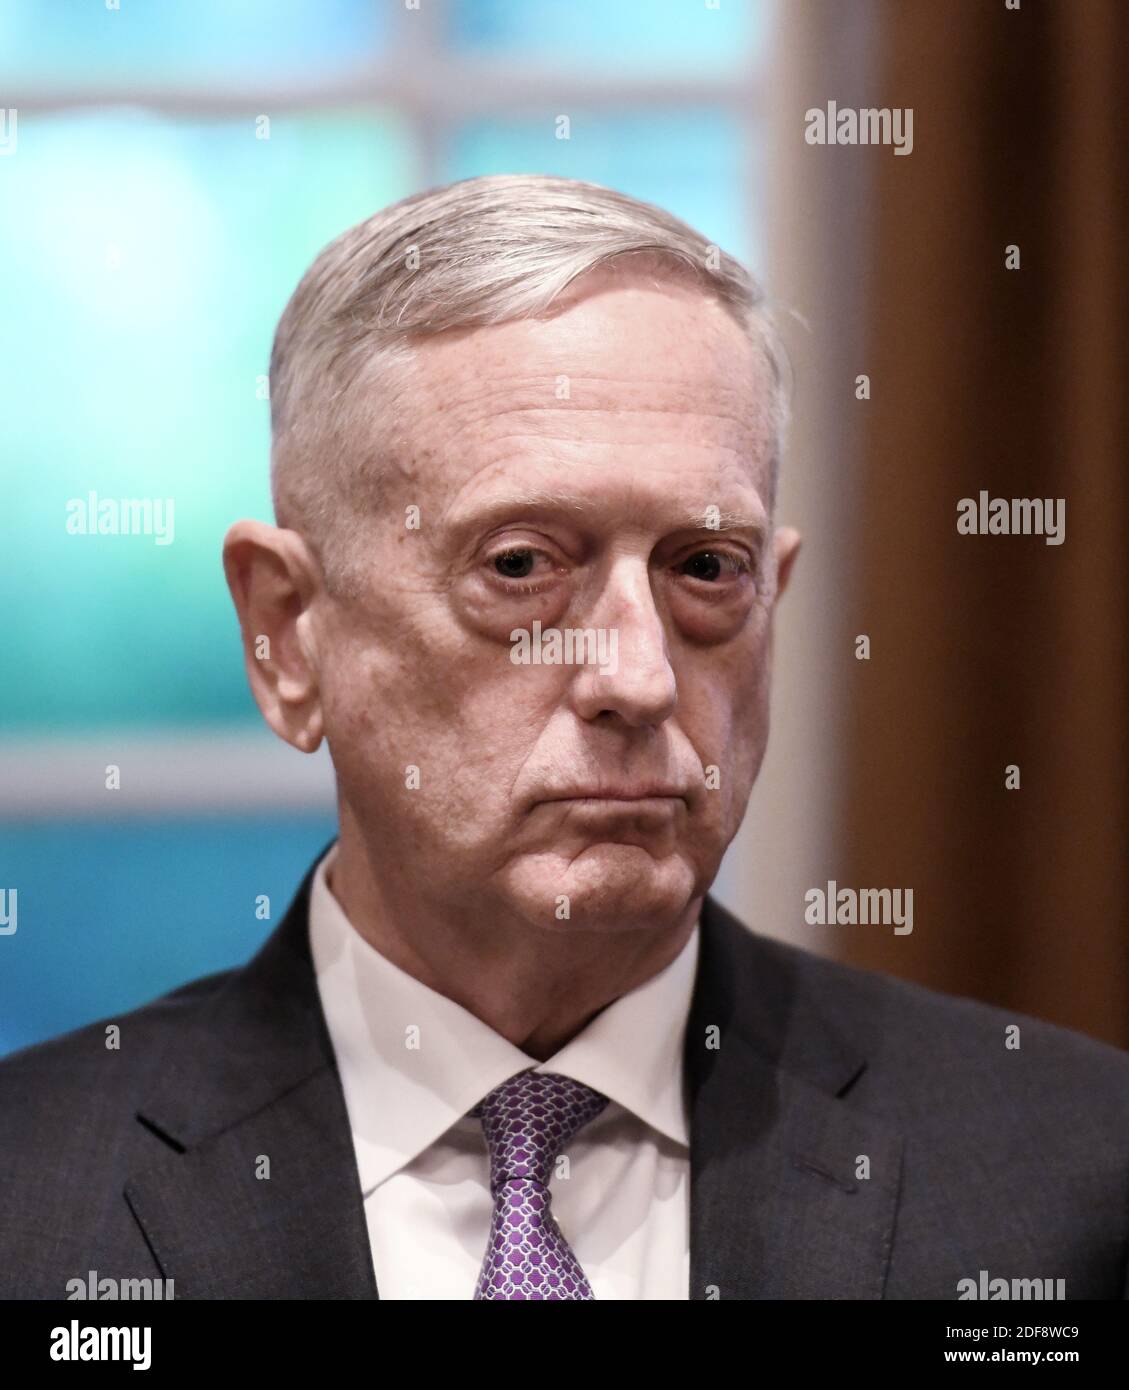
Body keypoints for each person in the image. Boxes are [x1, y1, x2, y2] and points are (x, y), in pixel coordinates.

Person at [2, 175, 1127, 1300]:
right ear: (289, 634)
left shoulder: (1074, 1182)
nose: (636, 679)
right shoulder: (33, 1209)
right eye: (522, 565)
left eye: (703, 569)